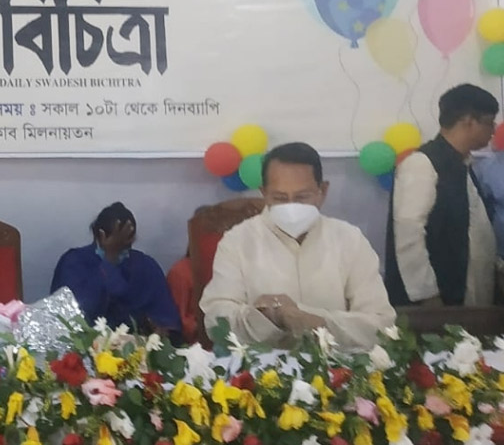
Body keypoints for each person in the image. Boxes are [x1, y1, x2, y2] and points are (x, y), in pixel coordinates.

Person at [200, 143, 395, 350]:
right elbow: (215, 320)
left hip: (338, 364)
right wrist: (261, 317)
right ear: (264, 193)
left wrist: (315, 322)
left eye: (302, 197)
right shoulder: (237, 241)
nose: (291, 207)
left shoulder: (350, 239)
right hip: (262, 365)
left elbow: (381, 324)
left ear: (323, 191)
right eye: (280, 198)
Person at [386, 84, 500, 307]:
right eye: (489, 122)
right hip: (435, 303)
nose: (493, 130)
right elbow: (409, 236)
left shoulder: (462, 164)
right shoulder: (422, 164)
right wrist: (427, 296)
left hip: (468, 298)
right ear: (468, 121)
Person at [50, 202, 181, 339]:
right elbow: (73, 319)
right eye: (119, 241)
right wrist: (109, 258)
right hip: (86, 346)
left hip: (137, 348)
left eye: (128, 241)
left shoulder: (146, 266)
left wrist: (158, 332)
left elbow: (168, 324)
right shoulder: (74, 263)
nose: (124, 248)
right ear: (101, 235)